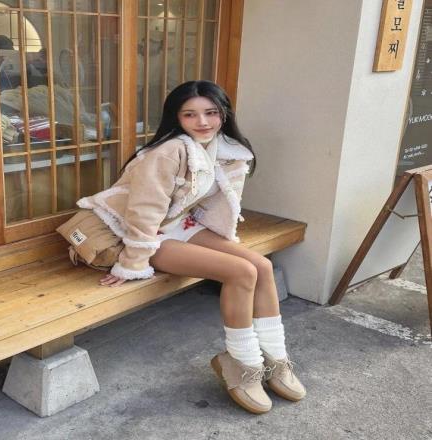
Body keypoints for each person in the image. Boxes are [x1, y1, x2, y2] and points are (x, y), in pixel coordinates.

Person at [77, 80, 306, 414]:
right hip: (140, 233)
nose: (203, 122)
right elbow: (143, 211)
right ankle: (242, 363)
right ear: (176, 117)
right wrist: (132, 263)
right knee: (241, 272)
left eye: (211, 112)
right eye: (190, 114)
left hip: (178, 224)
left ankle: (275, 359)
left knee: (262, 266)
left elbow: (213, 202)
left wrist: (218, 236)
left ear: (224, 114)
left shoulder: (225, 148)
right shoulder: (168, 151)